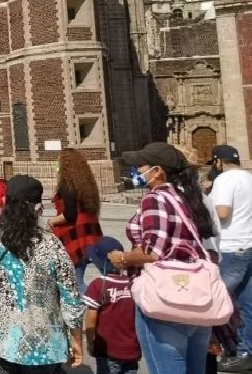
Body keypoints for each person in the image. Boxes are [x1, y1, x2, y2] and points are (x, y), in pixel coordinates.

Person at [111, 142, 220, 374]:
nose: (138, 171)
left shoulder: (155, 199)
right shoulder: (189, 197)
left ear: (157, 171)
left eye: (141, 166)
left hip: (166, 298)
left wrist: (122, 258)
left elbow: (153, 252)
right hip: (197, 296)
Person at [0, 175, 84, 373]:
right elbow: (71, 297)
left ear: (4, 202)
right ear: (38, 209)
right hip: (42, 344)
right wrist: (76, 337)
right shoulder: (51, 245)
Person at [209, 144, 252, 370]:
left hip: (231, 246)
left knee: (216, 299)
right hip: (248, 244)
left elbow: (223, 212)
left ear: (218, 161)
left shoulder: (224, 180)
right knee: (247, 302)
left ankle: (218, 347)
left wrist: (205, 207)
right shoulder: (248, 177)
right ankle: (246, 351)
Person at [47, 148, 104, 292]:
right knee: (79, 275)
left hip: (74, 235)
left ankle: (90, 302)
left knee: (77, 282)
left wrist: (51, 221)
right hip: (88, 232)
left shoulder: (67, 185)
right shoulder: (85, 184)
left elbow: (69, 214)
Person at [83, 237, 141, 374]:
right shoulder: (134, 284)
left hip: (107, 351)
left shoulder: (98, 285)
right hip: (131, 350)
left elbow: (91, 317)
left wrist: (90, 341)